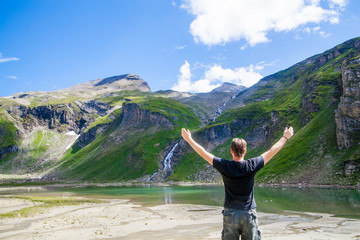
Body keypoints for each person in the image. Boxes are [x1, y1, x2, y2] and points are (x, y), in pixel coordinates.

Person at [181, 126, 294, 240]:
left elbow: (203, 153)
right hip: (249, 213)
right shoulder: (252, 165)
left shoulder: (225, 166)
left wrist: (189, 139)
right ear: (245, 151)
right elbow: (272, 151)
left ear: (231, 151)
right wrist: (285, 137)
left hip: (230, 213)